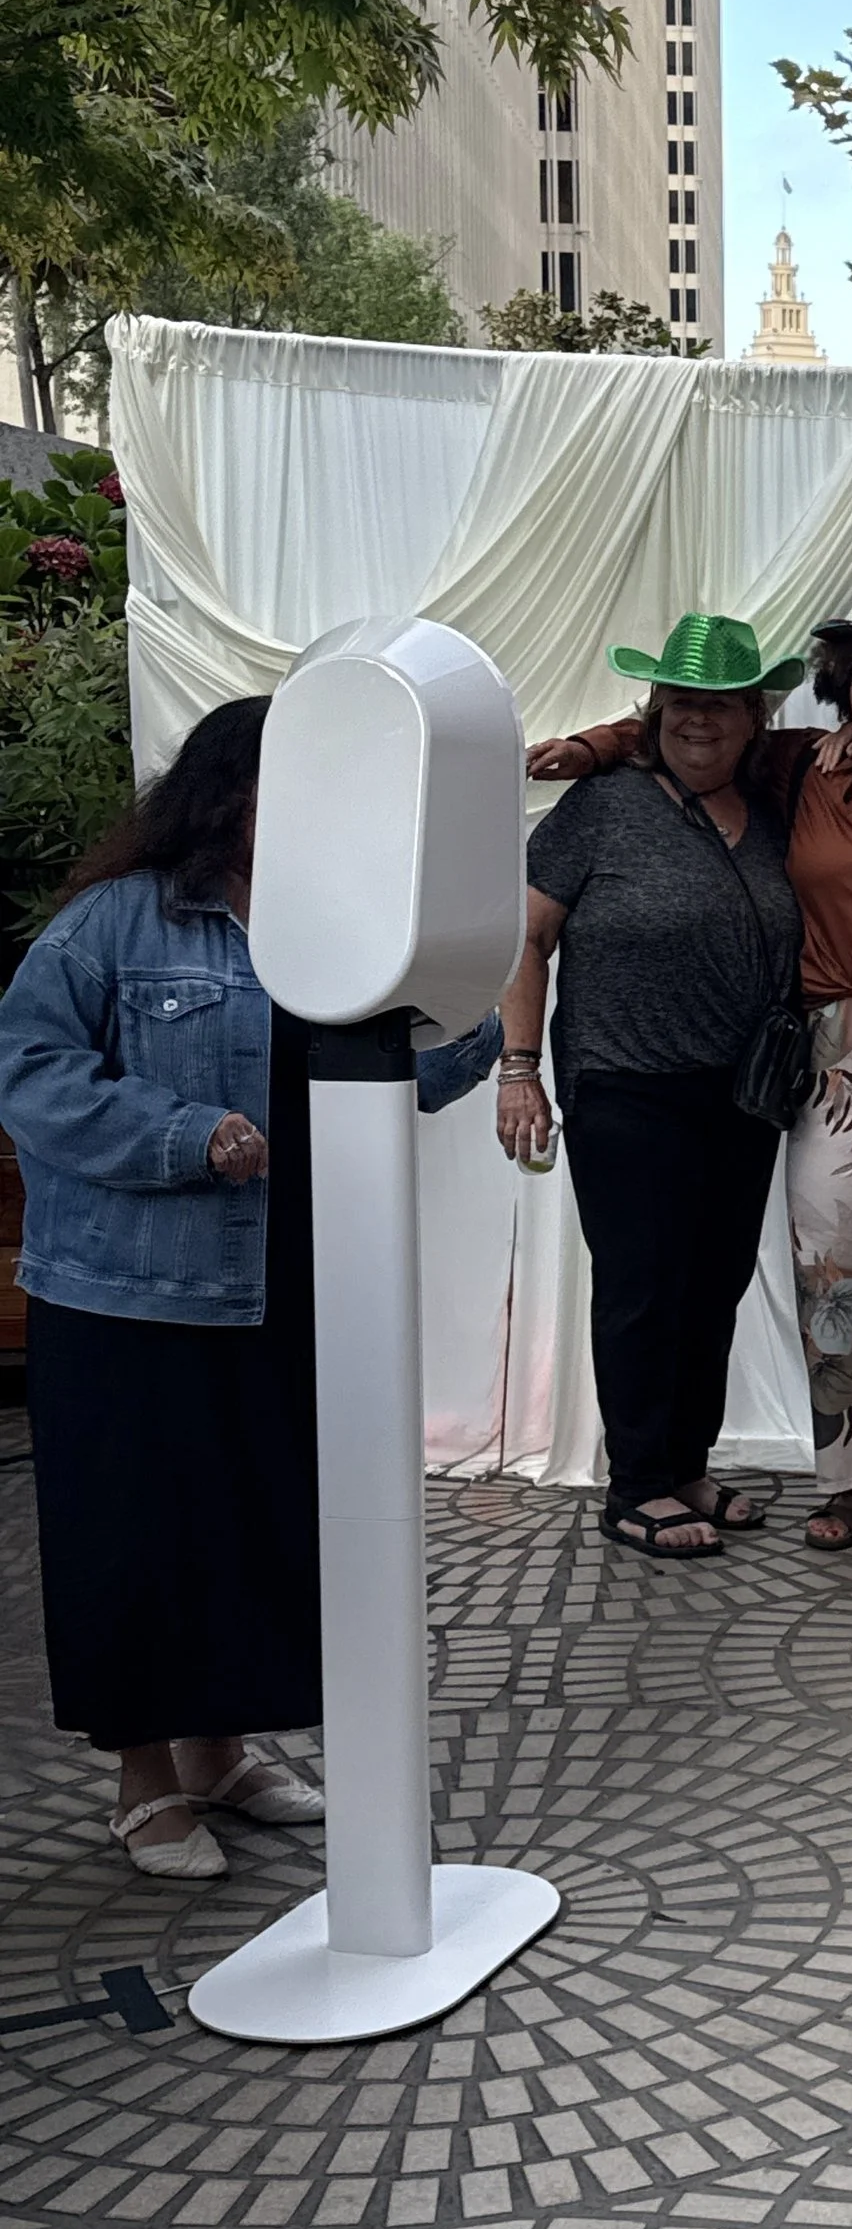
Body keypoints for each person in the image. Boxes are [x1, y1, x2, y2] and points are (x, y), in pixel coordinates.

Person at [0, 698, 499, 1878]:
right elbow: (29, 1077)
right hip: (128, 1300)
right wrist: (184, 1134)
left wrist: (478, 975)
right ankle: (143, 1783)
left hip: (286, 1287)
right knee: (133, 1540)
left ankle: (219, 1752)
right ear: (227, 797)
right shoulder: (113, 925)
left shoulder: (340, 929)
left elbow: (415, 1073)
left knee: (250, 1529)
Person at [526, 579, 852, 1555]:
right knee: (832, 1271)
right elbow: (688, 727)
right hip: (830, 1054)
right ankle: (851, 1479)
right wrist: (594, 745)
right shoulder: (805, 770)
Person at [499, 614, 806, 1561]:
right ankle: (634, 1484)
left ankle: (684, 1464)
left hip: (742, 1096)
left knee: (711, 1288)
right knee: (642, 1287)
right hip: (627, 1085)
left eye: (721, 704)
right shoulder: (600, 808)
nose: (699, 722)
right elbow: (526, 938)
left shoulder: (776, 804)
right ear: (654, 710)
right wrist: (518, 1070)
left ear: (754, 717)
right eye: (680, 703)